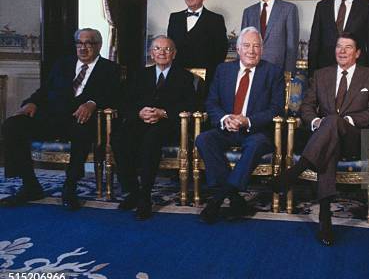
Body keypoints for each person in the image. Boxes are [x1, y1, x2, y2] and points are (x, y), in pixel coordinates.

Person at [271, 32, 369, 246]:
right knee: (328, 145)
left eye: (348, 47)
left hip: (355, 138)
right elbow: (306, 106)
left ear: (358, 53)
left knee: (333, 122)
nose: (341, 51)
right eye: (338, 46)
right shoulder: (322, 74)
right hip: (326, 138)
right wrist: (315, 122)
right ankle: (325, 218)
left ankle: (296, 171)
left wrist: (344, 121)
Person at [1, 28, 120, 210]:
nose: (83, 48)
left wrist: (92, 102)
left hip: (82, 120)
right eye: (79, 43)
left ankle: (70, 186)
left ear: (99, 45)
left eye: (88, 43)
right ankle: (30, 184)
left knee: (82, 128)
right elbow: (45, 90)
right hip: (52, 117)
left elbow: (114, 96)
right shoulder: (62, 64)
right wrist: (31, 102)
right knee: (12, 125)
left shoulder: (110, 69)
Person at [195, 27, 284, 224]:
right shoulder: (223, 69)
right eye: (247, 45)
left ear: (262, 49)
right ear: (238, 48)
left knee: (256, 144)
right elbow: (211, 102)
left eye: (256, 46)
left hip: (256, 131)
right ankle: (235, 198)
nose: (251, 51)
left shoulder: (273, 72)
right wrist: (225, 118)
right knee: (204, 139)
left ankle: (218, 199)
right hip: (227, 128)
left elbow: (277, 109)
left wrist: (248, 120)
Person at [113, 36, 196, 220]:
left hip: (168, 125)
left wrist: (163, 112)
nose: (162, 52)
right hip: (140, 121)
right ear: (151, 53)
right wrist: (139, 112)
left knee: (151, 140)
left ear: (173, 54)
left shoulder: (185, 77)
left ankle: (145, 196)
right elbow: (124, 102)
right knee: (119, 138)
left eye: (167, 49)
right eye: (157, 49)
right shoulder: (140, 75)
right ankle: (133, 191)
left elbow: (191, 105)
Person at [167, 0, 228, 88]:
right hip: (178, 76)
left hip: (205, 79)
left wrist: (210, 74)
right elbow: (170, 47)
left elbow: (221, 51)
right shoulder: (174, 18)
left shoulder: (216, 19)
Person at [241, 0, 299, 73]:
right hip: (252, 69)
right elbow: (242, 44)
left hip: (277, 69)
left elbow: (291, 46)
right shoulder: (248, 12)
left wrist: (288, 73)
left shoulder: (288, 9)